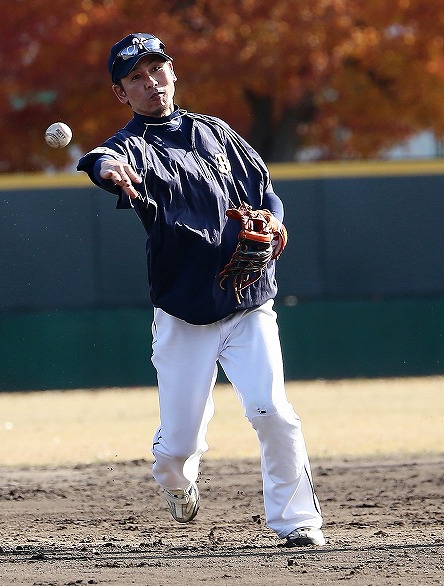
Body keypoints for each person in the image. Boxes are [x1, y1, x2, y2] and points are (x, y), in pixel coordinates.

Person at [76, 32, 325, 548]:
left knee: (272, 412)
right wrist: (107, 168)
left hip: (246, 303)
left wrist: (274, 223)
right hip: (184, 312)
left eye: (157, 70)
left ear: (173, 71)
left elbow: (266, 192)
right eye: (136, 78)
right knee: (178, 447)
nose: (151, 83)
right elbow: (101, 159)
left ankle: (296, 522)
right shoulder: (133, 147)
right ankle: (174, 479)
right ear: (122, 93)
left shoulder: (216, 131)